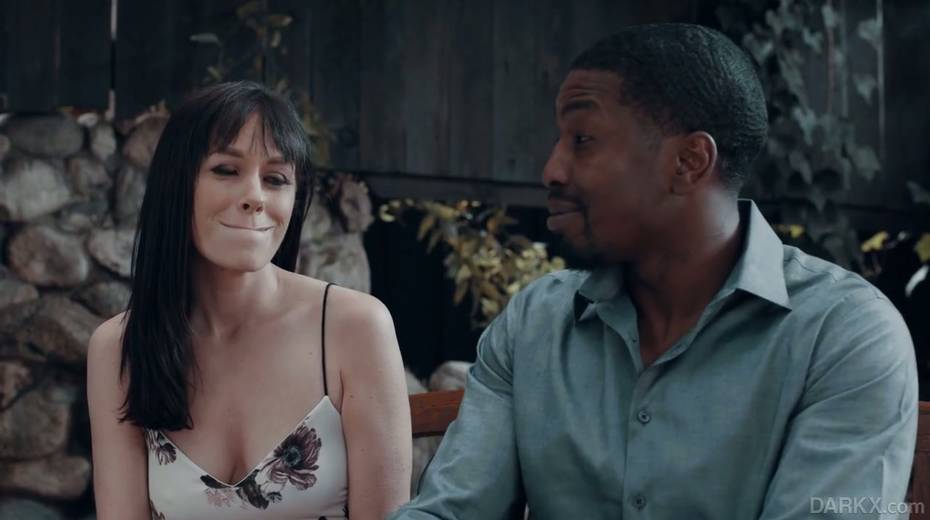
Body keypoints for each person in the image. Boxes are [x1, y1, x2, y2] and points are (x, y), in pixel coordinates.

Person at [390, 23, 917, 519]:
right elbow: (450, 510)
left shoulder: (843, 335)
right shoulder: (536, 324)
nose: (551, 169)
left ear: (689, 161)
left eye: (583, 140)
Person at [87, 81, 411, 520]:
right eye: (226, 170)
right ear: (176, 183)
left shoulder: (356, 328)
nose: (255, 197)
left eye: (275, 179)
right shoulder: (119, 348)